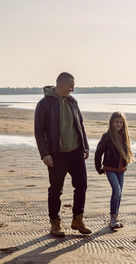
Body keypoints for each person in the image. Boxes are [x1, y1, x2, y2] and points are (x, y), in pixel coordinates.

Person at [34, 72, 92, 237]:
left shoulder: (73, 101)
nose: (73, 89)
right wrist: (44, 153)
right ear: (61, 85)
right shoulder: (44, 104)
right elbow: (38, 131)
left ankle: (77, 219)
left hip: (76, 153)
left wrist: (85, 146)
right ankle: (55, 223)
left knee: (81, 185)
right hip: (56, 154)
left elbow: (80, 125)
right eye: (70, 85)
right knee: (55, 190)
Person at [94, 111, 135, 229]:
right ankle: (112, 218)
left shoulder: (125, 136)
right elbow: (98, 153)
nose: (118, 124)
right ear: (111, 122)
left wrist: (125, 164)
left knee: (119, 193)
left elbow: (126, 152)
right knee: (116, 190)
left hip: (121, 169)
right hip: (109, 168)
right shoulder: (107, 136)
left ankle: (116, 216)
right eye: (116, 122)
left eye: (121, 122)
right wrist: (99, 168)